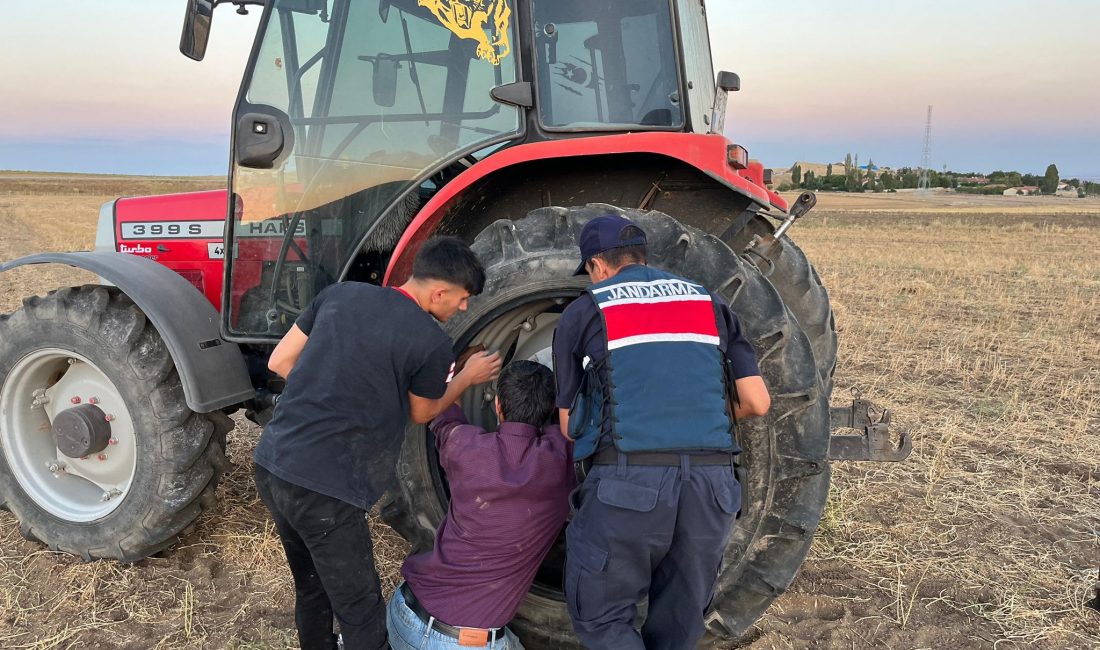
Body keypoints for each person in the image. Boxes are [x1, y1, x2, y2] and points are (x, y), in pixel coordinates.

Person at [253, 236, 503, 650]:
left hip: (273, 463)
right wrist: (467, 378)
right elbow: (423, 412)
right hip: (325, 491)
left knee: (312, 586)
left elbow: (279, 361)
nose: (463, 309)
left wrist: (329, 393)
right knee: (361, 610)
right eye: (462, 299)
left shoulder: (340, 294)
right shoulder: (430, 341)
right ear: (439, 291)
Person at [552, 214, 771, 649]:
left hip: (629, 487)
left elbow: (569, 426)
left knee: (602, 617)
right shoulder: (708, 302)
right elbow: (756, 403)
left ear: (597, 265)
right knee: (680, 626)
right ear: (641, 256)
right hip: (711, 493)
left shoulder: (588, 308)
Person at [387, 360, 575, 649]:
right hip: (463, 643)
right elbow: (575, 429)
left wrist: (459, 367)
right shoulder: (561, 464)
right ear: (551, 410)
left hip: (404, 615)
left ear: (497, 404)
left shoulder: (464, 446)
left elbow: (443, 412)